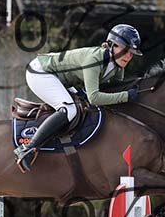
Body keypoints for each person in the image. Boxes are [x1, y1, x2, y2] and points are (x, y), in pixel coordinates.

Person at [14, 24, 143, 172]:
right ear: (112, 45)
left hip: (62, 78)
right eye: (125, 50)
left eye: (131, 53)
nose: (128, 56)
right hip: (40, 72)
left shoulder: (117, 66)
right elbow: (94, 98)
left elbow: (113, 89)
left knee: (81, 106)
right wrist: (126, 96)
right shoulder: (94, 59)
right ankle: (28, 148)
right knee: (70, 109)